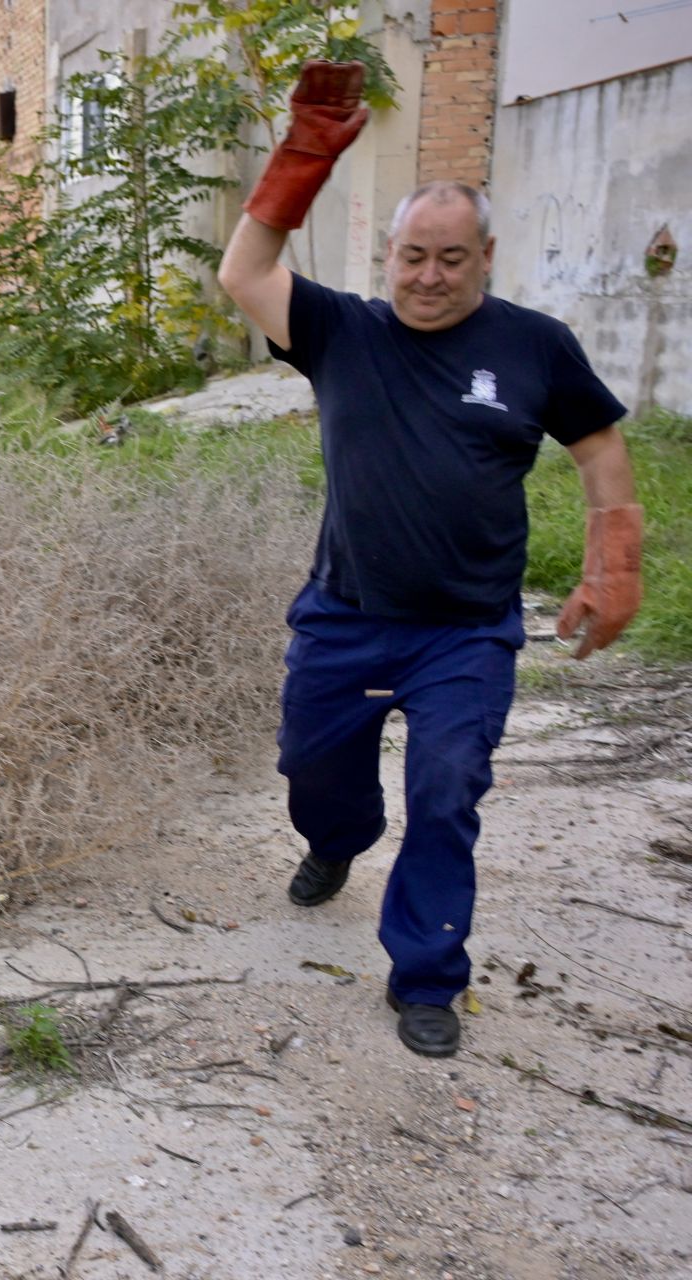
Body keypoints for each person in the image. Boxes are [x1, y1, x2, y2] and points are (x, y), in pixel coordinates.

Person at [216, 62, 644, 1058]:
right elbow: (244, 272)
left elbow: (601, 449)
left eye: (452, 258)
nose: (429, 276)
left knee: (447, 790)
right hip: (348, 618)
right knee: (315, 775)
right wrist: (303, 157)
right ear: (389, 251)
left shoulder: (536, 346)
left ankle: (425, 976)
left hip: (465, 632)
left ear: (484, 256)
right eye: (413, 255)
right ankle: (335, 839)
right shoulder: (341, 331)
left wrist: (613, 561)